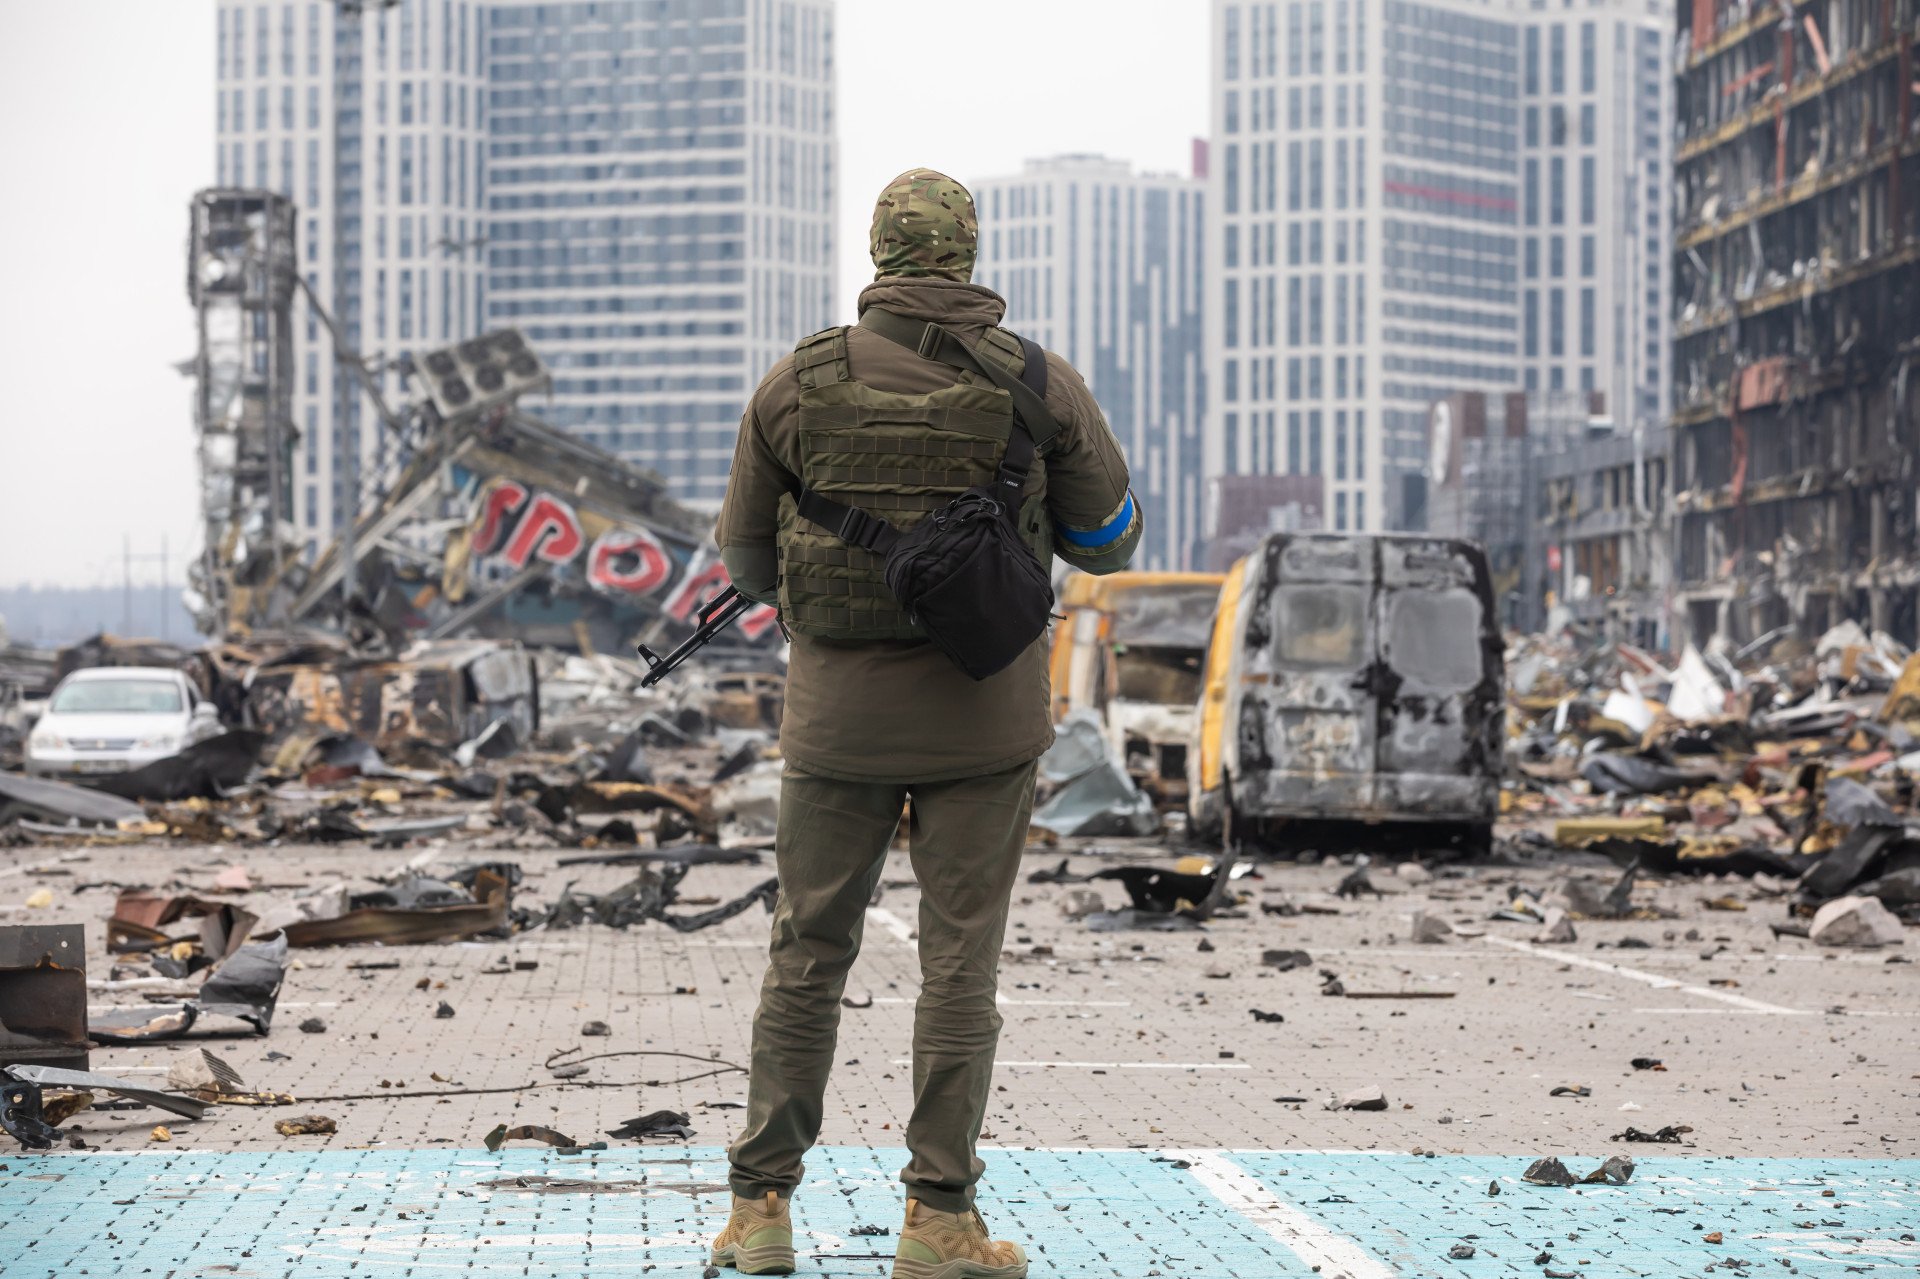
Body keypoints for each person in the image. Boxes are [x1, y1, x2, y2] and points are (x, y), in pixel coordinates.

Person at [707, 168, 1141, 1279]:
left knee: (806, 955)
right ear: (968, 251)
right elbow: (1109, 543)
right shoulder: (1041, 383)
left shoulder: (794, 385)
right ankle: (939, 1223)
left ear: (879, 252)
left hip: (834, 727)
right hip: (985, 725)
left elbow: (748, 567)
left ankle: (761, 1212)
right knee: (959, 968)